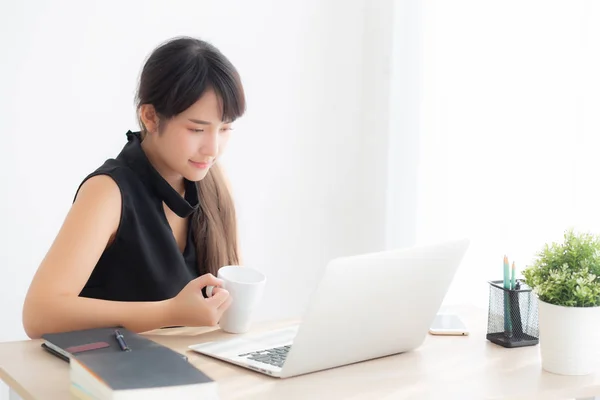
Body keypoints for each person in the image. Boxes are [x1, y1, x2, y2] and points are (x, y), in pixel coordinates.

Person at [22, 37, 245, 339]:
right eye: (196, 129)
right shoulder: (108, 192)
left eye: (225, 128)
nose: (212, 148)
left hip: (185, 373)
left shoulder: (212, 184)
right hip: (104, 379)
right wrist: (170, 312)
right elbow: (38, 314)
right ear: (150, 117)